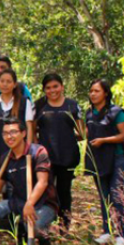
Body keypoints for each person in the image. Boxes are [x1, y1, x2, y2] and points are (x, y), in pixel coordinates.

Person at [0, 118, 58, 245]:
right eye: (5, 133)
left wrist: (30, 203)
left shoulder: (38, 151)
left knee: (35, 226)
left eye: (13, 132)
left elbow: (42, 182)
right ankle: (19, 228)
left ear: (23, 133)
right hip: (18, 202)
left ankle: (44, 239)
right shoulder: (5, 158)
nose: (9, 136)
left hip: (43, 204)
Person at [34, 74, 82, 228]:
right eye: (48, 88)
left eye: (55, 86)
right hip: (46, 158)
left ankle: (64, 225)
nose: (52, 90)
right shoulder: (39, 106)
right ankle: (44, 225)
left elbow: (82, 132)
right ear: (44, 90)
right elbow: (32, 130)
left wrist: (67, 138)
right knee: (46, 191)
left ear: (62, 86)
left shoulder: (72, 105)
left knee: (64, 191)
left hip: (68, 156)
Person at [85, 79, 124, 245]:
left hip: (117, 158)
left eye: (97, 91)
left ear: (105, 93)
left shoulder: (116, 112)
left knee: (117, 195)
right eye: (91, 91)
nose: (93, 94)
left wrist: (104, 140)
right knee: (104, 195)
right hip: (98, 159)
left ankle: (121, 233)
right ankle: (107, 231)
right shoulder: (89, 113)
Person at [0, 70, 34, 171]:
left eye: (9, 82)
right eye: (2, 81)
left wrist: (28, 150)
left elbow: (29, 127)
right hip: (0, 151)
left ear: (14, 84)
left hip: (20, 152)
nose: (5, 84)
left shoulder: (24, 102)